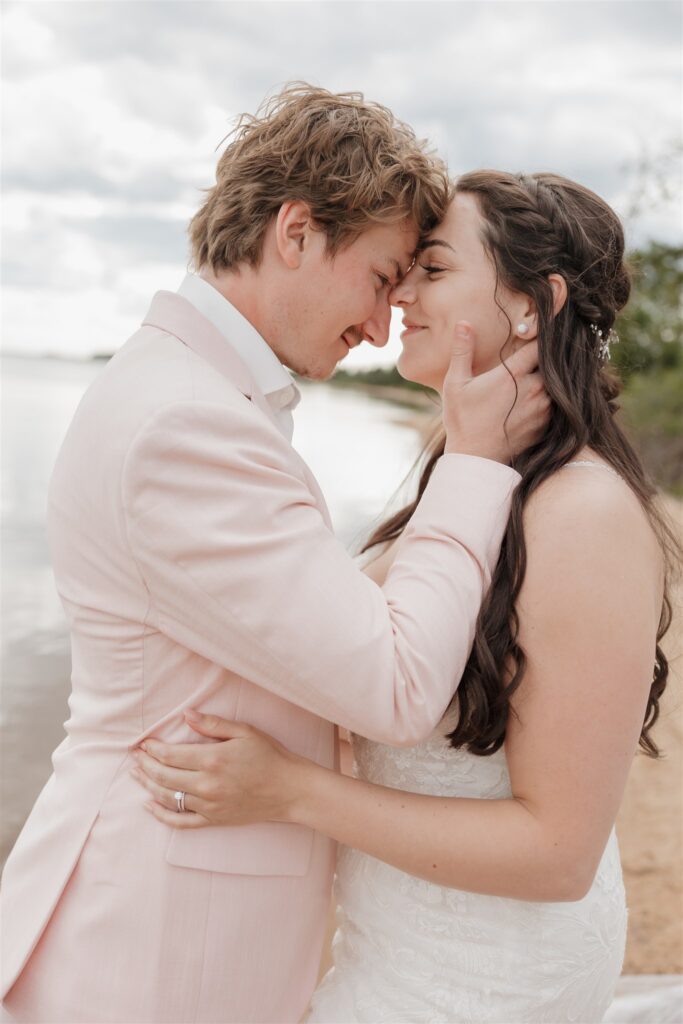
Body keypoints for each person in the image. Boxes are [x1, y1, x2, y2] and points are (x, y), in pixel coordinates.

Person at [0, 90, 548, 1024]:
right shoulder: (186, 424)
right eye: (380, 277)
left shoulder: (192, 396)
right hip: (152, 948)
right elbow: (395, 686)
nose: (382, 323)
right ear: (295, 231)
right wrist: (473, 462)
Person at [135, 170, 679, 1023]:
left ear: (534, 305)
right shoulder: (479, 476)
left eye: (430, 269)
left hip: (489, 978)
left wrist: (286, 790)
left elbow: (558, 852)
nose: (398, 303)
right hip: (399, 946)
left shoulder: (583, 512)